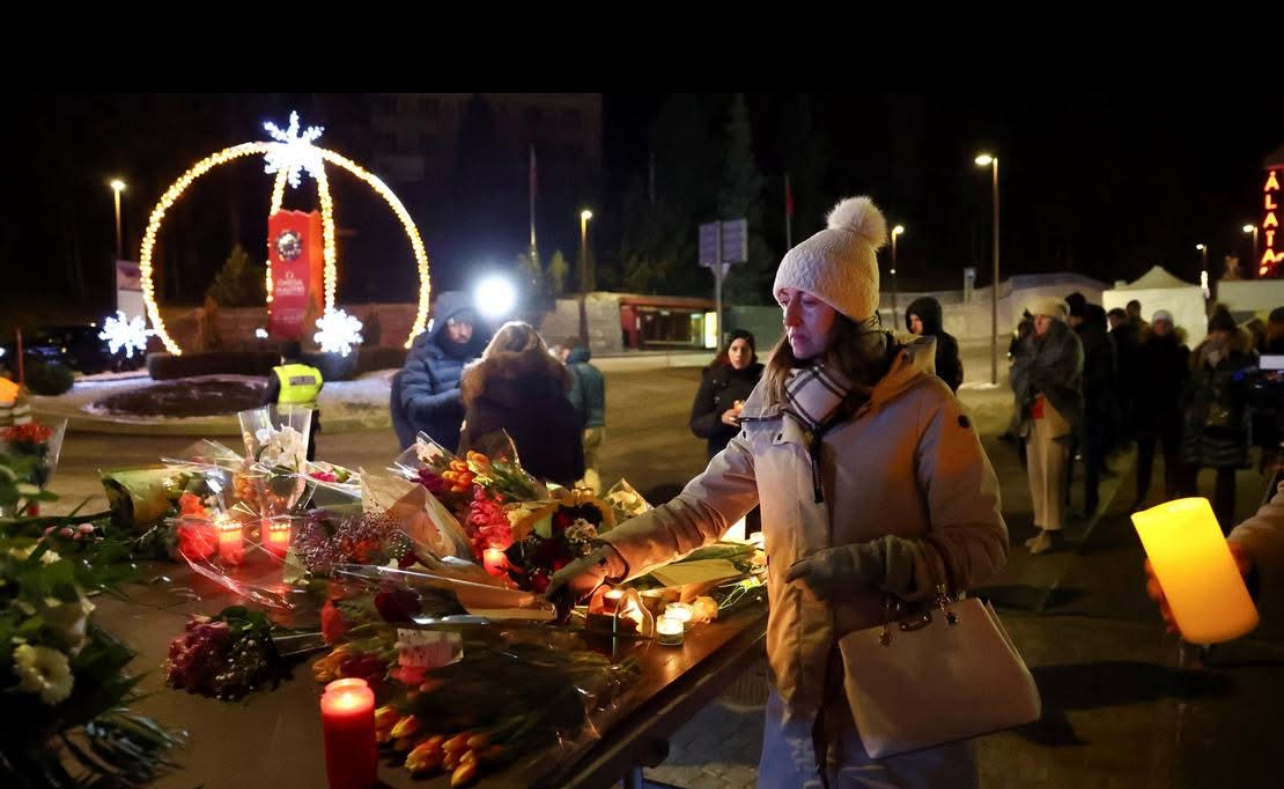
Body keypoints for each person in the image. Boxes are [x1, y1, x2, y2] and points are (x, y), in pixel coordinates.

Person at [548, 197, 1007, 788]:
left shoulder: (925, 409)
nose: (790, 318)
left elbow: (983, 542)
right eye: (785, 300)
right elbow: (699, 509)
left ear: (851, 309)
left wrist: (882, 563)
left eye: (809, 301)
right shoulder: (772, 412)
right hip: (796, 704)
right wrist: (608, 558)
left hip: (901, 707)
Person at [458, 322, 584, 487]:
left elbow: (463, 468)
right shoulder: (561, 405)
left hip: (498, 509)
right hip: (558, 506)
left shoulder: (481, 410)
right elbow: (577, 469)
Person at [1010, 297, 1083, 554]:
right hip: (1032, 416)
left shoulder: (1069, 344)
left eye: (1044, 318)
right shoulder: (1030, 343)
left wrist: (1032, 376)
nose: (1037, 322)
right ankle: (1043, 527)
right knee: (1037, 476)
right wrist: (1028, 379)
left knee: (1054, 476)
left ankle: (1053, 531)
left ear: (1056, 322)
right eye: (1036, 318)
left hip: (1056, 417)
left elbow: (1060, 377)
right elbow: (1017, 371)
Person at [1182, 306, 1257, 532]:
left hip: (1227, 423)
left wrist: (1223, 371)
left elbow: (1243, 381)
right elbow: (1190, 386)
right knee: (1188, 470)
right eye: (1213, 331)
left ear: (1231, 334)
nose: (1216, 336)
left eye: (1222, 332)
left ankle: (1224, 526)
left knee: (1225, 475)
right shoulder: (1198, 355)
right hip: (1198, 421)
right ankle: (1192, 521)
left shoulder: (1243, 358)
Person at [395, 291, 486, 450]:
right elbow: (414, 405)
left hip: (475, 442)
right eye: (455, 324)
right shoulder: (423, 355)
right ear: (442, 324)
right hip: (437, 444)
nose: (463, 332)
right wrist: (460, 396)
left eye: (468, 324)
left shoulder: (480, 354)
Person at [1132, 310, 1190, 510]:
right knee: (1144, 457)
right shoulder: (1142, 350)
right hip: (1148, 410)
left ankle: (1171, 493)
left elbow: (1186, 379)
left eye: (1166, 323)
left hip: (1171, 409)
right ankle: (1141, 496)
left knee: (1171, 455)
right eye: (1158, 322)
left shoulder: (1180, 350)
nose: (1162, 326)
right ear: (1152, 325)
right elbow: (1136, 381)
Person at [689, 329, 765, 460]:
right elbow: (697, 424)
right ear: (727, 351)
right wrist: (721, 419)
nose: (739, 354)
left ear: (752, 352)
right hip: (722, 455)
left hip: (757, 454)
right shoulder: (714, 378)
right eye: (734, 349)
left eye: (744, 349)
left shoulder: (764, 377)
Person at [261, 341, 322, 461]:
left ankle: (291, 476)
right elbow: (318, 388)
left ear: (283, 355)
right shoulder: (314, 372)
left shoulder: (280, 373)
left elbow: (267, 399)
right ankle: (307, 473)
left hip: (286, 420)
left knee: (287, 454)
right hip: (310, 418)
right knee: (307, 448)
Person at [560, 337, 607, 493]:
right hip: (598, 426)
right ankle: (597, 505)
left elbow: (575, 402)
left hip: (583, 428)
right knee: (591, 468)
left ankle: (582, 506)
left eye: (563, 352)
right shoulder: (595, 370)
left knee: (576, 471)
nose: (561, 356)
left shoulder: (572, 370)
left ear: (569, 351)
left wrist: (572, 429)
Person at [904, 296, 963, 392]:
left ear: (929, 319)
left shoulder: (945, 344)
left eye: (917, 320)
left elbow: (951, 377)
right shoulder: (914, 344)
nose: (912, 326)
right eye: (911, 320)